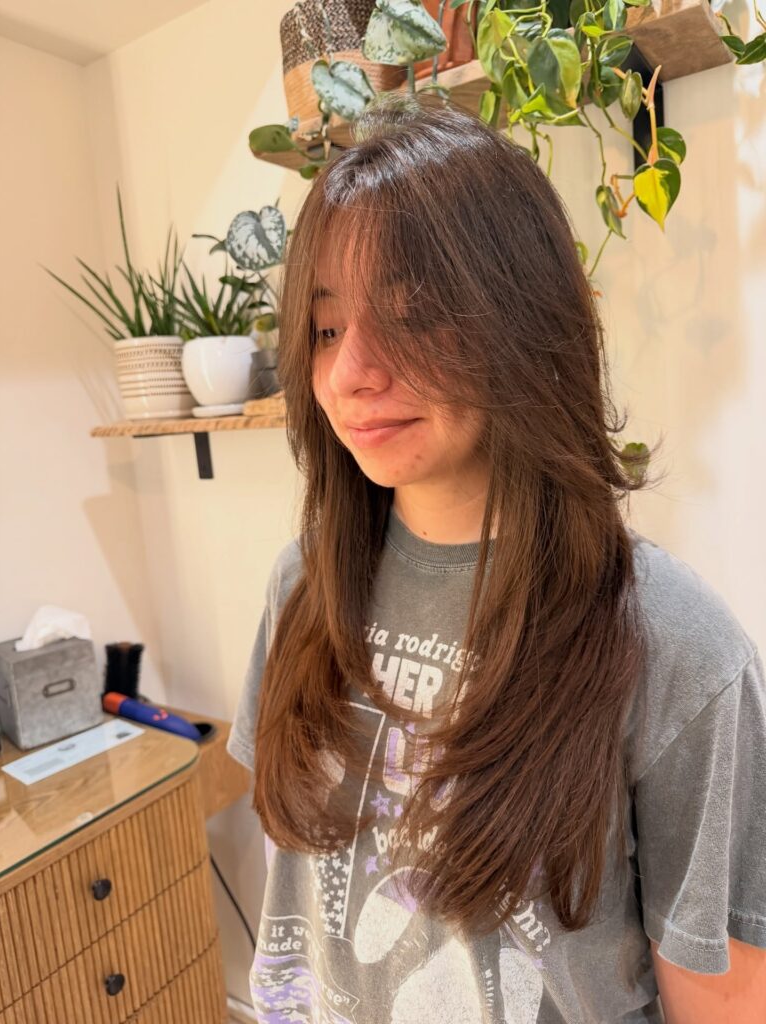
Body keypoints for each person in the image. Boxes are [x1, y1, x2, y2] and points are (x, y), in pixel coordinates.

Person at [227, 93, 766, 1023]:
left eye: (413, 315)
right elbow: (302, 890)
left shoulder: (680, 652)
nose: (350, 373)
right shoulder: (302, 585)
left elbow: (720, 998)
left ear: (525, 323)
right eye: (324, 328)